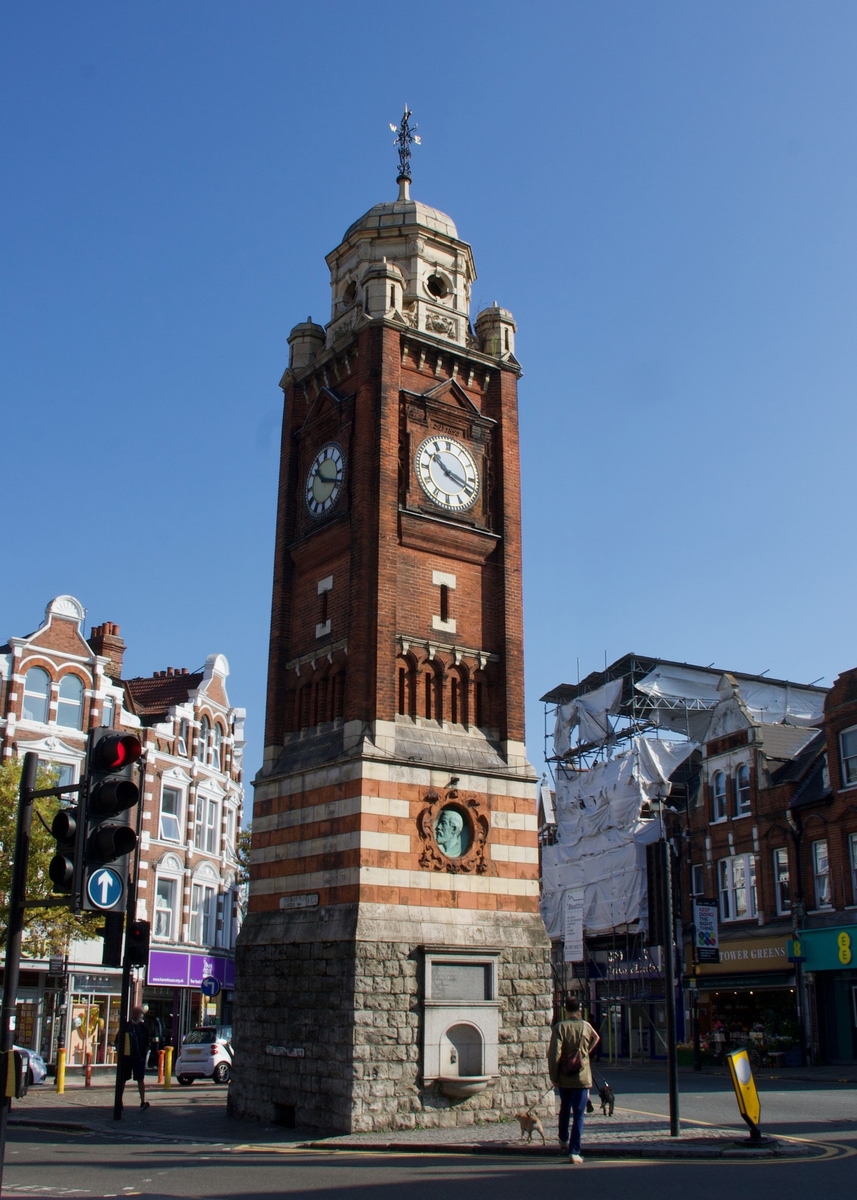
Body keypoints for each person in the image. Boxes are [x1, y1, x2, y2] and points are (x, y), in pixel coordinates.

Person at [547, 994, 600, 1164]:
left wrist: (554, 1077)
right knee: (579, 1114)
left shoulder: (559, 1027)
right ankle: (574, 1151)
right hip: (582, 1076)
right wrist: (586, 1053)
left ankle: (563, 1138)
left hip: (564, 1075)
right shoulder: (586, 1026)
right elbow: (596, 1038)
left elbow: (554, 1054)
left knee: (564, 1108)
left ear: (565, 1009)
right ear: (579, 1009)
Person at [122, 1006, 151, 1110]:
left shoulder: (143, 1027)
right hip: (127, 1057)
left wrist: (144, 1055)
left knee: (140, 1079)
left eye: (139, 1014)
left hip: (139, 1058)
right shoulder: (126, 1026)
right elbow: (119, 1040)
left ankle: (142, 1101)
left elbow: (147, 1042)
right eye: (137, 1013)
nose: (138, 1016)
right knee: (123, 1079)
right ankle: (119, 1101)